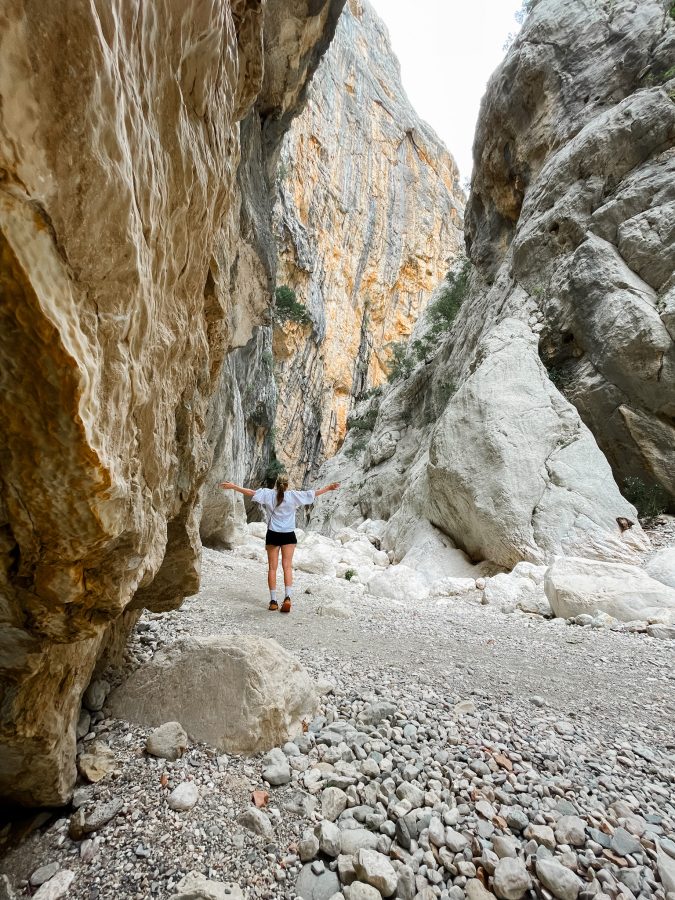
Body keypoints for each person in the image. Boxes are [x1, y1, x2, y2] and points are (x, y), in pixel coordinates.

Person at [219, 476, 340, 613]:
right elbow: (312, 493)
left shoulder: (267, 494)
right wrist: (329, 488)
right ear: (287, 485)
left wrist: (234, 486)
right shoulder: (293, 496)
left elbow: (250, 492)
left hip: (273, 534)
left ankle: (273, 601)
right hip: (288, 534)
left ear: (276, 485)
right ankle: (287, 598)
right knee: (287, 567)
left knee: (272, 568)